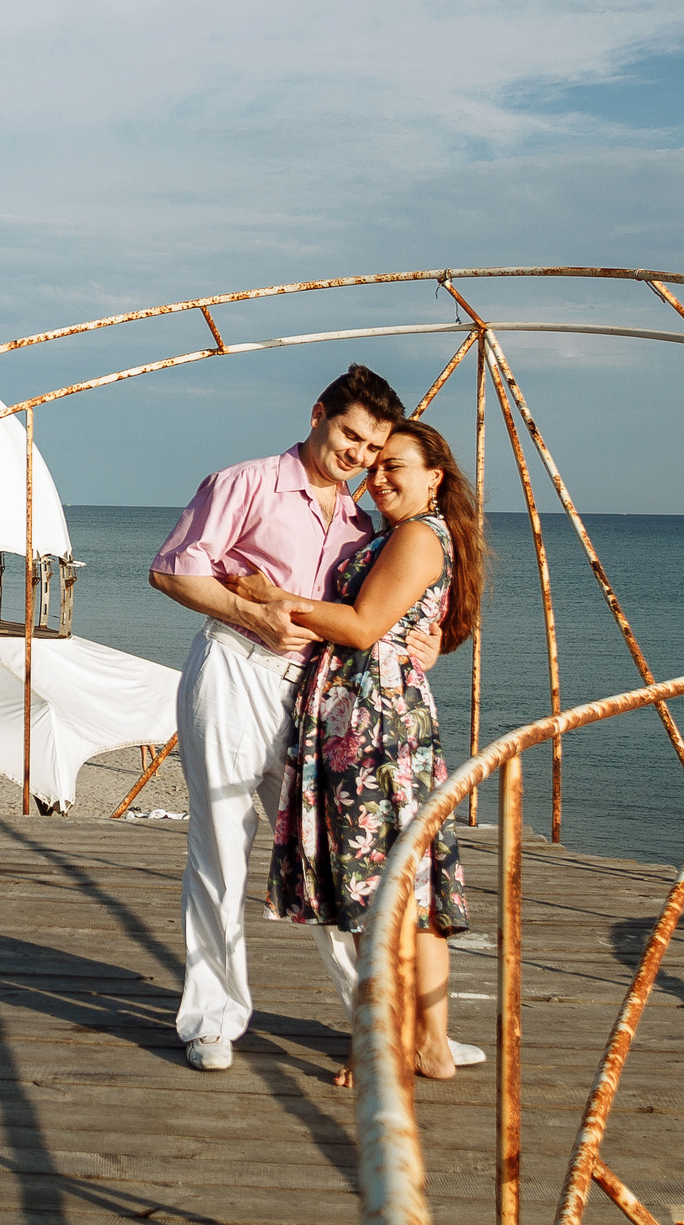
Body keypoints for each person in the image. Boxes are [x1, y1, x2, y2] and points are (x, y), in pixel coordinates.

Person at [148, 363, 439, 1073]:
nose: (357, 455)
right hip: (232, 667)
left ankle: (377, 1024)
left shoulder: (359, 520)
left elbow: (374, 614)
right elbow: (170, 569)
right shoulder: (243, 481)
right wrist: (251, 612)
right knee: (221, 840)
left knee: (326, 853)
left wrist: (428, 641)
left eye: (373, 448)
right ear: (317, 413)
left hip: (314, 693)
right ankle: (213, 1017)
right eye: (349, 434)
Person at [248, 417, 489, 1083]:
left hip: (373, 731)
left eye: (396, 467)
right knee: (414, 894)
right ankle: (432, 1045)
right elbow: (421, 623)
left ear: (434, 477)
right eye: (374, 465)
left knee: (374, 889)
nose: (378, 476)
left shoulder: (415, 534)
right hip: (387, 719)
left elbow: (361, 625)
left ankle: (378, 1041)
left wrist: (278, 599)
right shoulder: (413, 535)